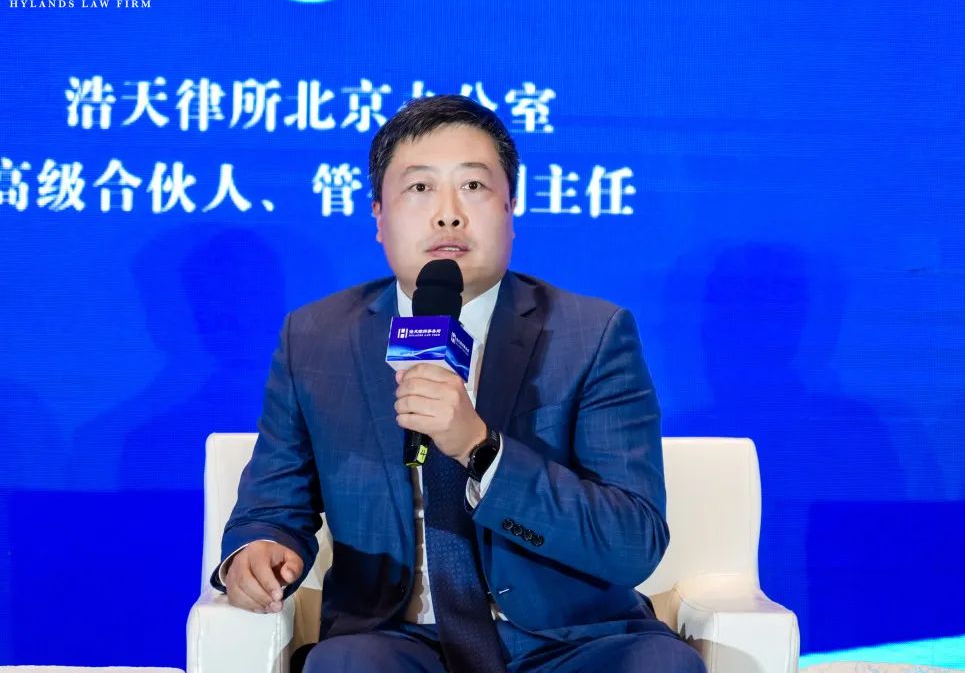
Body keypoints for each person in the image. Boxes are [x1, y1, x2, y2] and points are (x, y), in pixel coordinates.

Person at [212, 95, 706, 673]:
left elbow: (632, 542)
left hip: (571, 641)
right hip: (394, 639)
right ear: (378, 216)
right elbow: (273, 504)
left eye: (473, 186)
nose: (448, 214)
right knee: (346, 666)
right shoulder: (316, 337)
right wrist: (259, 549)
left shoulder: (592, 334)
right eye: (420, 188)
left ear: (510, 207)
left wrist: (481, 448)